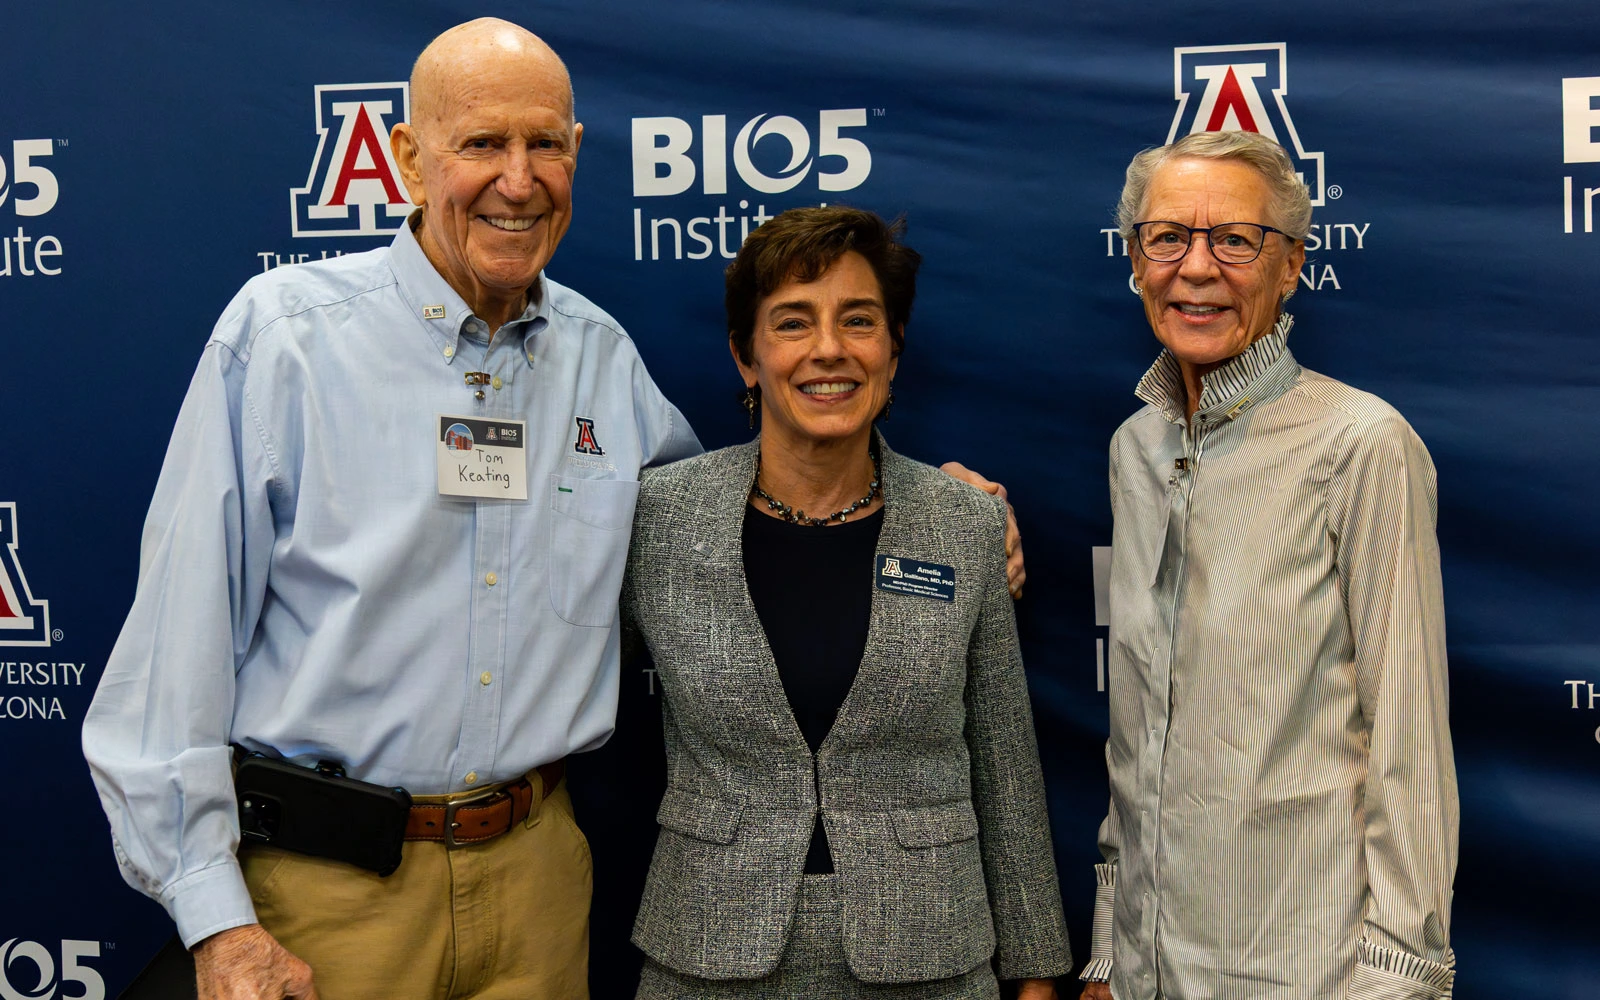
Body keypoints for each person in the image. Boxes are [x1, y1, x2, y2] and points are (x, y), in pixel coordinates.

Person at [82, 20, 1024, 1000]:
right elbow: (171, 661)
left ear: (576, 156)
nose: (518, 179)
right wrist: (220, 925)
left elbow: (741, 530)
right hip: (328, 893)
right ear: (408, 157)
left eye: (544, 145)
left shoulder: (600, 360)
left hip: (536, 883)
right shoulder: (283, 340)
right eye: (482, 144)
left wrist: (925, 510)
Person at [621, 206, 1069, 1000]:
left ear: (893, 352)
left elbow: (1004, 760)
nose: (829, 349)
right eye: (792, 322)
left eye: (858, 321)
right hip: (708, 951)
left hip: (931, 951)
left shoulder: (965, 521)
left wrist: (1034, 968)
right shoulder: (655, 517)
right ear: (746, 356)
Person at [1079, 129, 1458, 1000]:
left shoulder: (1362, 443)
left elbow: (1408, 746)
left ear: (1290, 268)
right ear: (1136, 261)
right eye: (1167, 237)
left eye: (1235, 240)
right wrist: (1109, 950)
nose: (1197, 267)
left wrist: (1399, 980)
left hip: (1307, 973)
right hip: (1148, 971)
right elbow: (1138, 737)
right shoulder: (1135, 449)